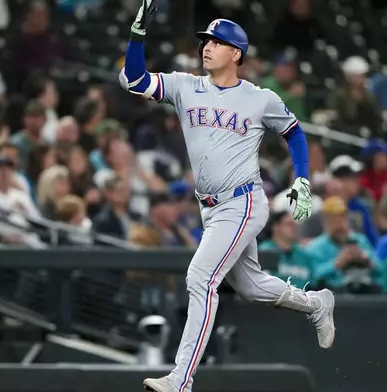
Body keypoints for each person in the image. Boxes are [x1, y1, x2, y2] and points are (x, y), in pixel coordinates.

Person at [119, 4, 335, 392]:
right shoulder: (186, 85)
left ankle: (181, 380)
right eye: (205, 41)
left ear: (236, 54)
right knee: (251, 287)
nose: (207, 47)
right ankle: (316, 303)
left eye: (217, 43)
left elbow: (295, 132)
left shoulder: (259, 97)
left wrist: (303, 180)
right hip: (210, 208)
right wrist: (137, 35)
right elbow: (135, 80)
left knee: (200, 278)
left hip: (244, 201)